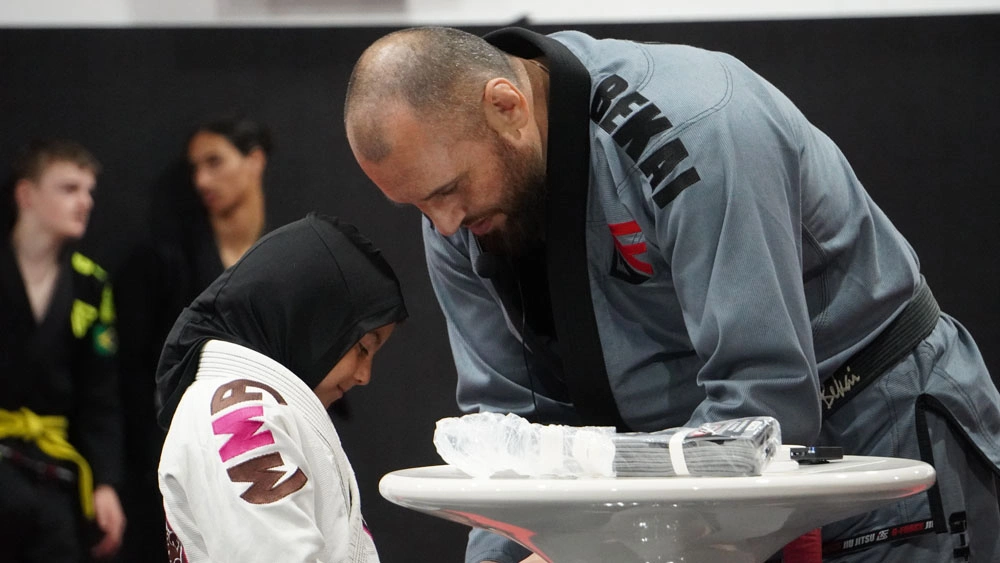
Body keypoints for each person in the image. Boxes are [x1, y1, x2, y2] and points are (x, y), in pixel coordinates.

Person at [343, 26, 1000, 563]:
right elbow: (510, 428)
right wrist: (511, 550)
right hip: (689, 474)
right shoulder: (461, 214)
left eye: (448, 191)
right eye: (419, 206)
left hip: (870, 432)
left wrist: (593, 543)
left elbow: (764, 397)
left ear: (506, 107)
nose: (444, 224)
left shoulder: (698, 128)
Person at [155, 213, 408, 562]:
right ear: (312, 319)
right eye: (363, 347)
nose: (364, 375)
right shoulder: (238, 416)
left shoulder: (248, 407)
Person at [113, 113, 274, 560]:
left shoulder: (280, 262)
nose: (202, 179)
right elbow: (132, 373)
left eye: (215, 162)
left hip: (259, 460)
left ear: (255, 161)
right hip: (175, 460)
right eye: (194, 168)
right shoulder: (163, 260)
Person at [0, 139, 127, 561]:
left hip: (52, 471)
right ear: (26, 195)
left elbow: (101, 395)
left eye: (89, 191)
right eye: (69, 189)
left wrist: (105, 482)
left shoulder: (90, 284)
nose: (85, 202)